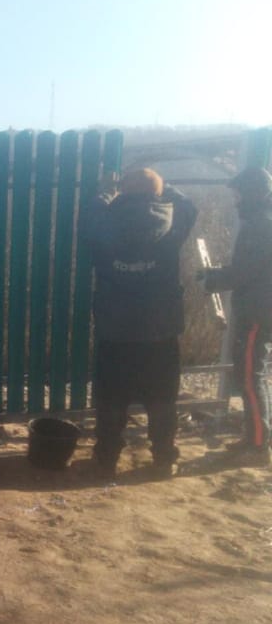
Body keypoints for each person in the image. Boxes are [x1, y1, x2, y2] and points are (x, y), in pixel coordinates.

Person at [85, 168, 198, 478]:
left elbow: (90, 217)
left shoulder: (106, 223)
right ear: (156, 193)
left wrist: (107, 191)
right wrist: (164, 187)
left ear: (123, 192)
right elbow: (189, 206)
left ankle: (106, 457)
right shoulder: (172, 222)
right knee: (162, 400)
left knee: (111, 401)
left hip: (115, 330)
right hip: (160, 331)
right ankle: (164, 458)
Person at [199, 166, 272, 467]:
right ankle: (255, 436)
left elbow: (246, 272)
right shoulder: (262, 221)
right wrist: (216, 275)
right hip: (259, 308)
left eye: (239, 195)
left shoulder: (262, 226)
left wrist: (213, 278)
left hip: (258, 312)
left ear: (253, 193)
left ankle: (258, 444)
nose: (236, 201)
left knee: (250, 376)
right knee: (250, 375)